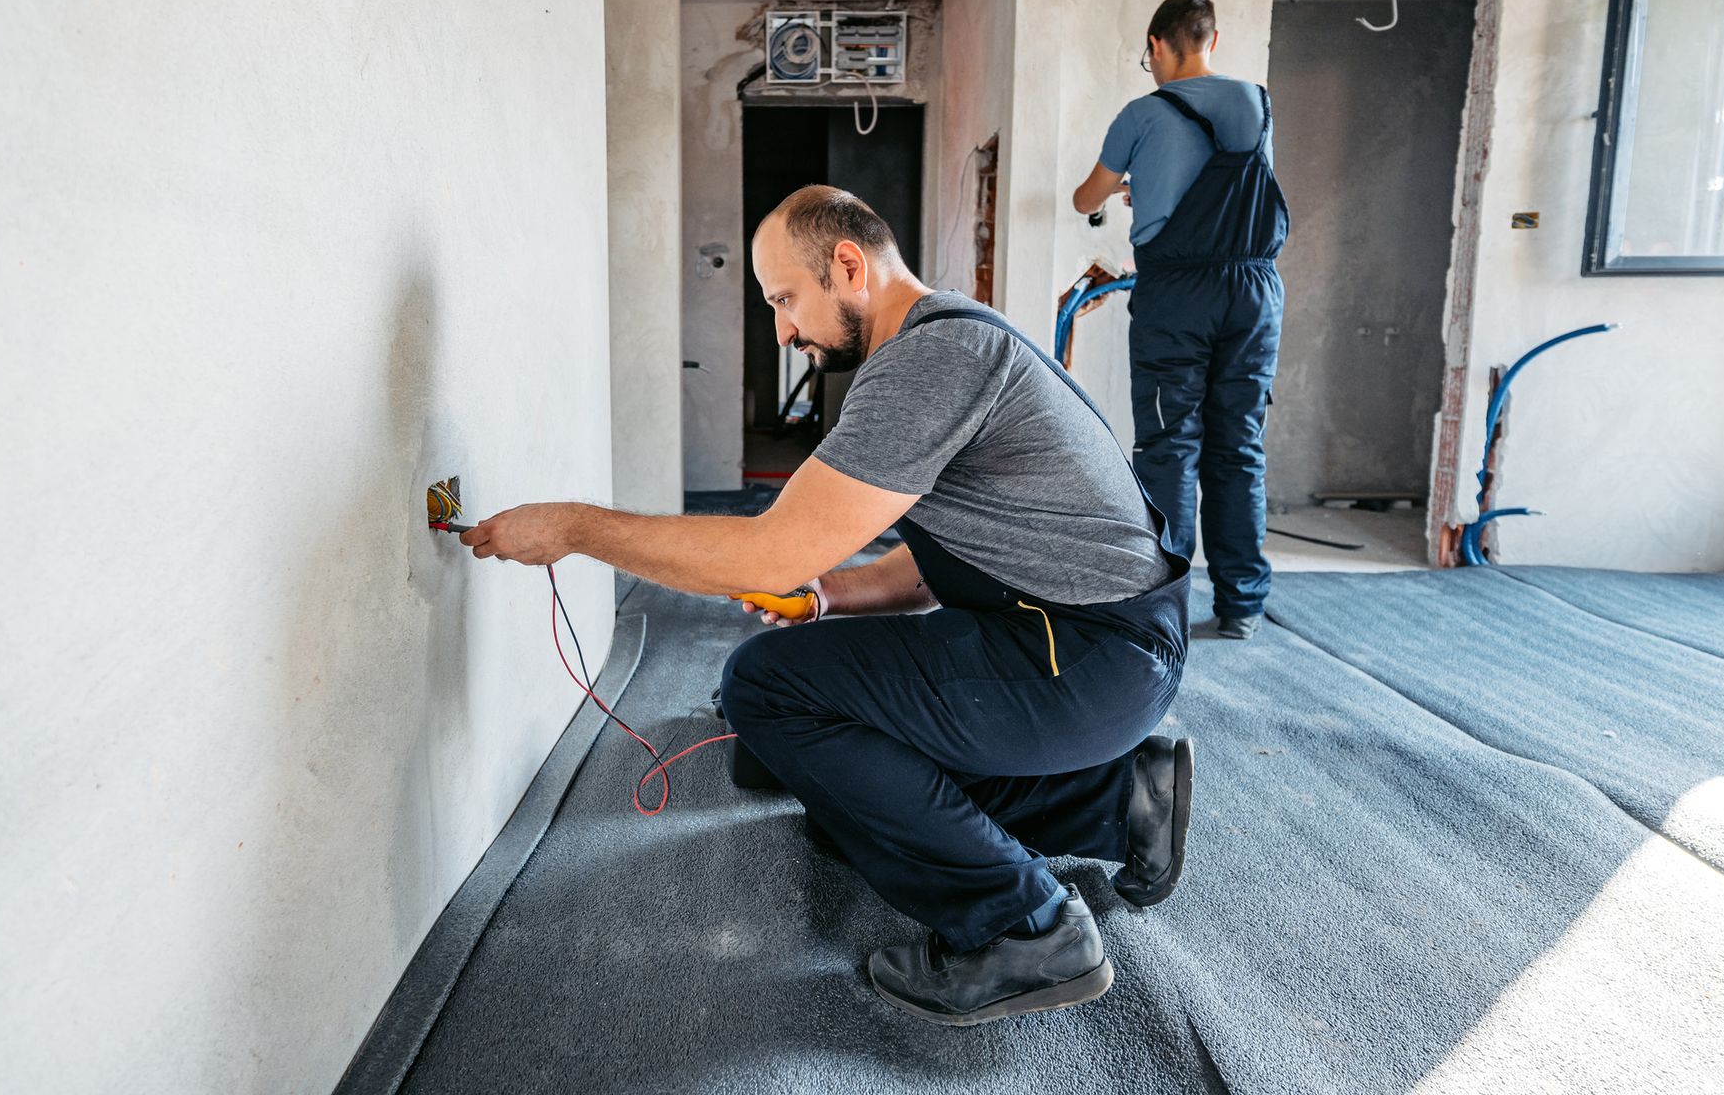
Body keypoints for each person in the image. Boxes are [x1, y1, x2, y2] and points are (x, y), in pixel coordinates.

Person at [460, 185, 1194, 1026]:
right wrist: (825, 596)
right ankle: (1115, 799)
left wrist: (579, 527)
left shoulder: (929, 362)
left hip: (1083, 661)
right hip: (1089, 647)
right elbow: (938, 558)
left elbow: (769, 548)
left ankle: (1024, 927)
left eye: (784, 298)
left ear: (848, 266)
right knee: (801, 771)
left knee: (768, 690)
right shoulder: (947, 336)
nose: (780, 329)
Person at [1072, 0, 1288, 639]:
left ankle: (1161, 605)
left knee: (1169, 446)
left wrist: (1126, 185)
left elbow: (1086, 195)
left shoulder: (1143, 112)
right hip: (1254, 290)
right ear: (1212, 40)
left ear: (1158, 45)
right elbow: (1228, 184)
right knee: (1239, 446)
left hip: (1177, 295)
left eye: (1151, 56)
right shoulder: (1257, 102)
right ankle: (1241, 605)